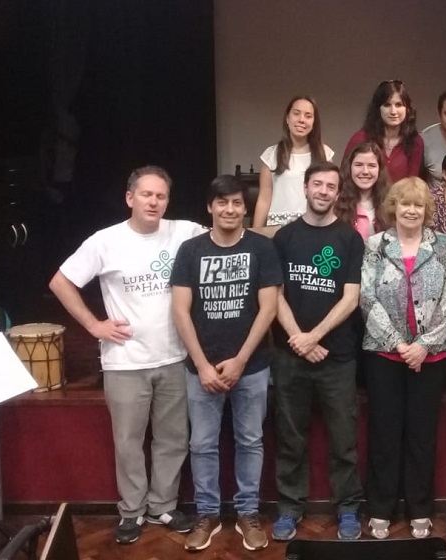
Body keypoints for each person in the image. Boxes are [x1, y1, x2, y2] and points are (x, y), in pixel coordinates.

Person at [47, 165, 202, 544]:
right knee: (129, 442)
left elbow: (233, 234)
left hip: (173, 357)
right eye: (146, 194)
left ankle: (162, 505)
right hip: (125, 361)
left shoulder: (185, 232)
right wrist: (93, 325)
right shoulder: (105, 241)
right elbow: (60, 281)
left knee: (173, 439)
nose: (154, 201)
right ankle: (131, 512)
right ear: (129, 198)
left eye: (161, 195)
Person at [170, 175, 282, 551]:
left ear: (245, 207)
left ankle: (248, 513)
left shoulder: (262, 249)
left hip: (251, 367)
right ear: (210, 207)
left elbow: (268, 308)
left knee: (250, 441)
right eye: (222, 203)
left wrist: (240, 360)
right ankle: (208, 515)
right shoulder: (190, 251)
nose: (230, 210)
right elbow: (181, 312)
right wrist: (202, 365)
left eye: (236, 203)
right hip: (199, 369)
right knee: (202, 444)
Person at [271, 161, 365, 541]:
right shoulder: (285, 238)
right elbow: (273, 294)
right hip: (289, 356)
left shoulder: (349, 238)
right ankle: (290, 509)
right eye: (317, 184)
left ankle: (348, 510)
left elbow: (351, 298)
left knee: (344, 439)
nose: (324, 191)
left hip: (337, 358)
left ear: (337, 192)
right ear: (306, 189)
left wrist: (315, 337)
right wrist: (298, 338)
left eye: (331, 186)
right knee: (290, 438)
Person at [360, 177, 446, 540]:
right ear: (393, 208)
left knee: (421, 435)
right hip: (385, 355)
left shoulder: (443, 245)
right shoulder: (375, 245)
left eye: (418, 205)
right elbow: (367, 297)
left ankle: (420, 508)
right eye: (405, 204)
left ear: (426, 210)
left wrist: (424, 345)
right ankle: (381, 508)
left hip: (430, 358)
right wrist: (401, 345)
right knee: (385, 434)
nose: (412, 210)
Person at [253, 95, 333, 229]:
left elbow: (332, 195)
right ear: (287, 118)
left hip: (315, 227)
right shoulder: (271, 155)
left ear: (314, 122)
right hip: (278, 229)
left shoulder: (324, 154)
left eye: (308, 116)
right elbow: (264, 198)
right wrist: (255, 233)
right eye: (296, 114)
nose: (302, 120)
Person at [343, 80, 423, 184]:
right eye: (387, 105)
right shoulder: (360, 138)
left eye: (399, 105)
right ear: (378, 109)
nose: (393, 111)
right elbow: (344, 178)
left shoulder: (415, 141)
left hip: (400, 199)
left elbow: (413, 185)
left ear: (407, 109)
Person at [334, 142, 389, 241]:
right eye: (358, 165)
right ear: (349, 168)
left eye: (372, 166)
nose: (365, 171)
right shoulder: (335, 203)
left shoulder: (391, 202)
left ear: (380, 170)